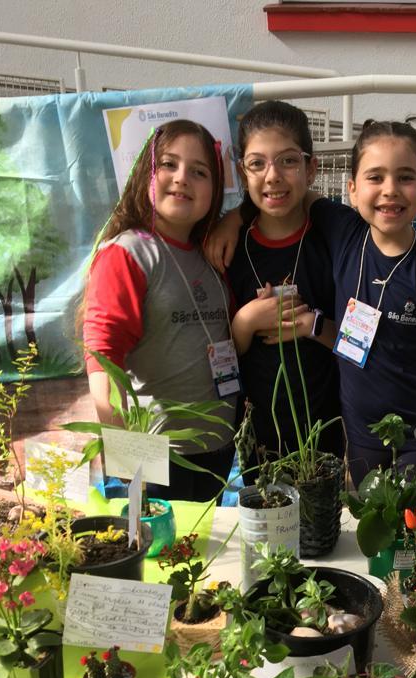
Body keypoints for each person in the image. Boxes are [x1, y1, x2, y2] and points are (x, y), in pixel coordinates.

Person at [208, 117, 416, 488]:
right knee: (369, 516)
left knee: (413, 519)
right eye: (375, 177)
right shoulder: (343, 232)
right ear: (352, 190)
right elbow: (286, 193)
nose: (390, 190)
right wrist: (235, 217)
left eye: (405, 177)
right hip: (361, 437)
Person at [82, 118, 238, 503]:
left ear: (215, 188)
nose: (182, 177)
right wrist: (130, 460)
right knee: (163, 542)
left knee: (207, 542)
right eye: (169, 164)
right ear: (145, 174)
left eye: (199, 171)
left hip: (218, 449)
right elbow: (103, 359)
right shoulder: (128, 253)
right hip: (157, 456)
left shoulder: (212, 253)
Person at [228, 101, 343, 467]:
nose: (273, 176)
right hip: (257, 441)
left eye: (288, 161)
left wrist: (313, 326)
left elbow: (363, 345)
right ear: (242, 172)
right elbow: (215, 357)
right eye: (257, 163)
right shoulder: (229, 249)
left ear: (311, 168)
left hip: (327, 436)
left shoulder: (334, 245)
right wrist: (245, 322)